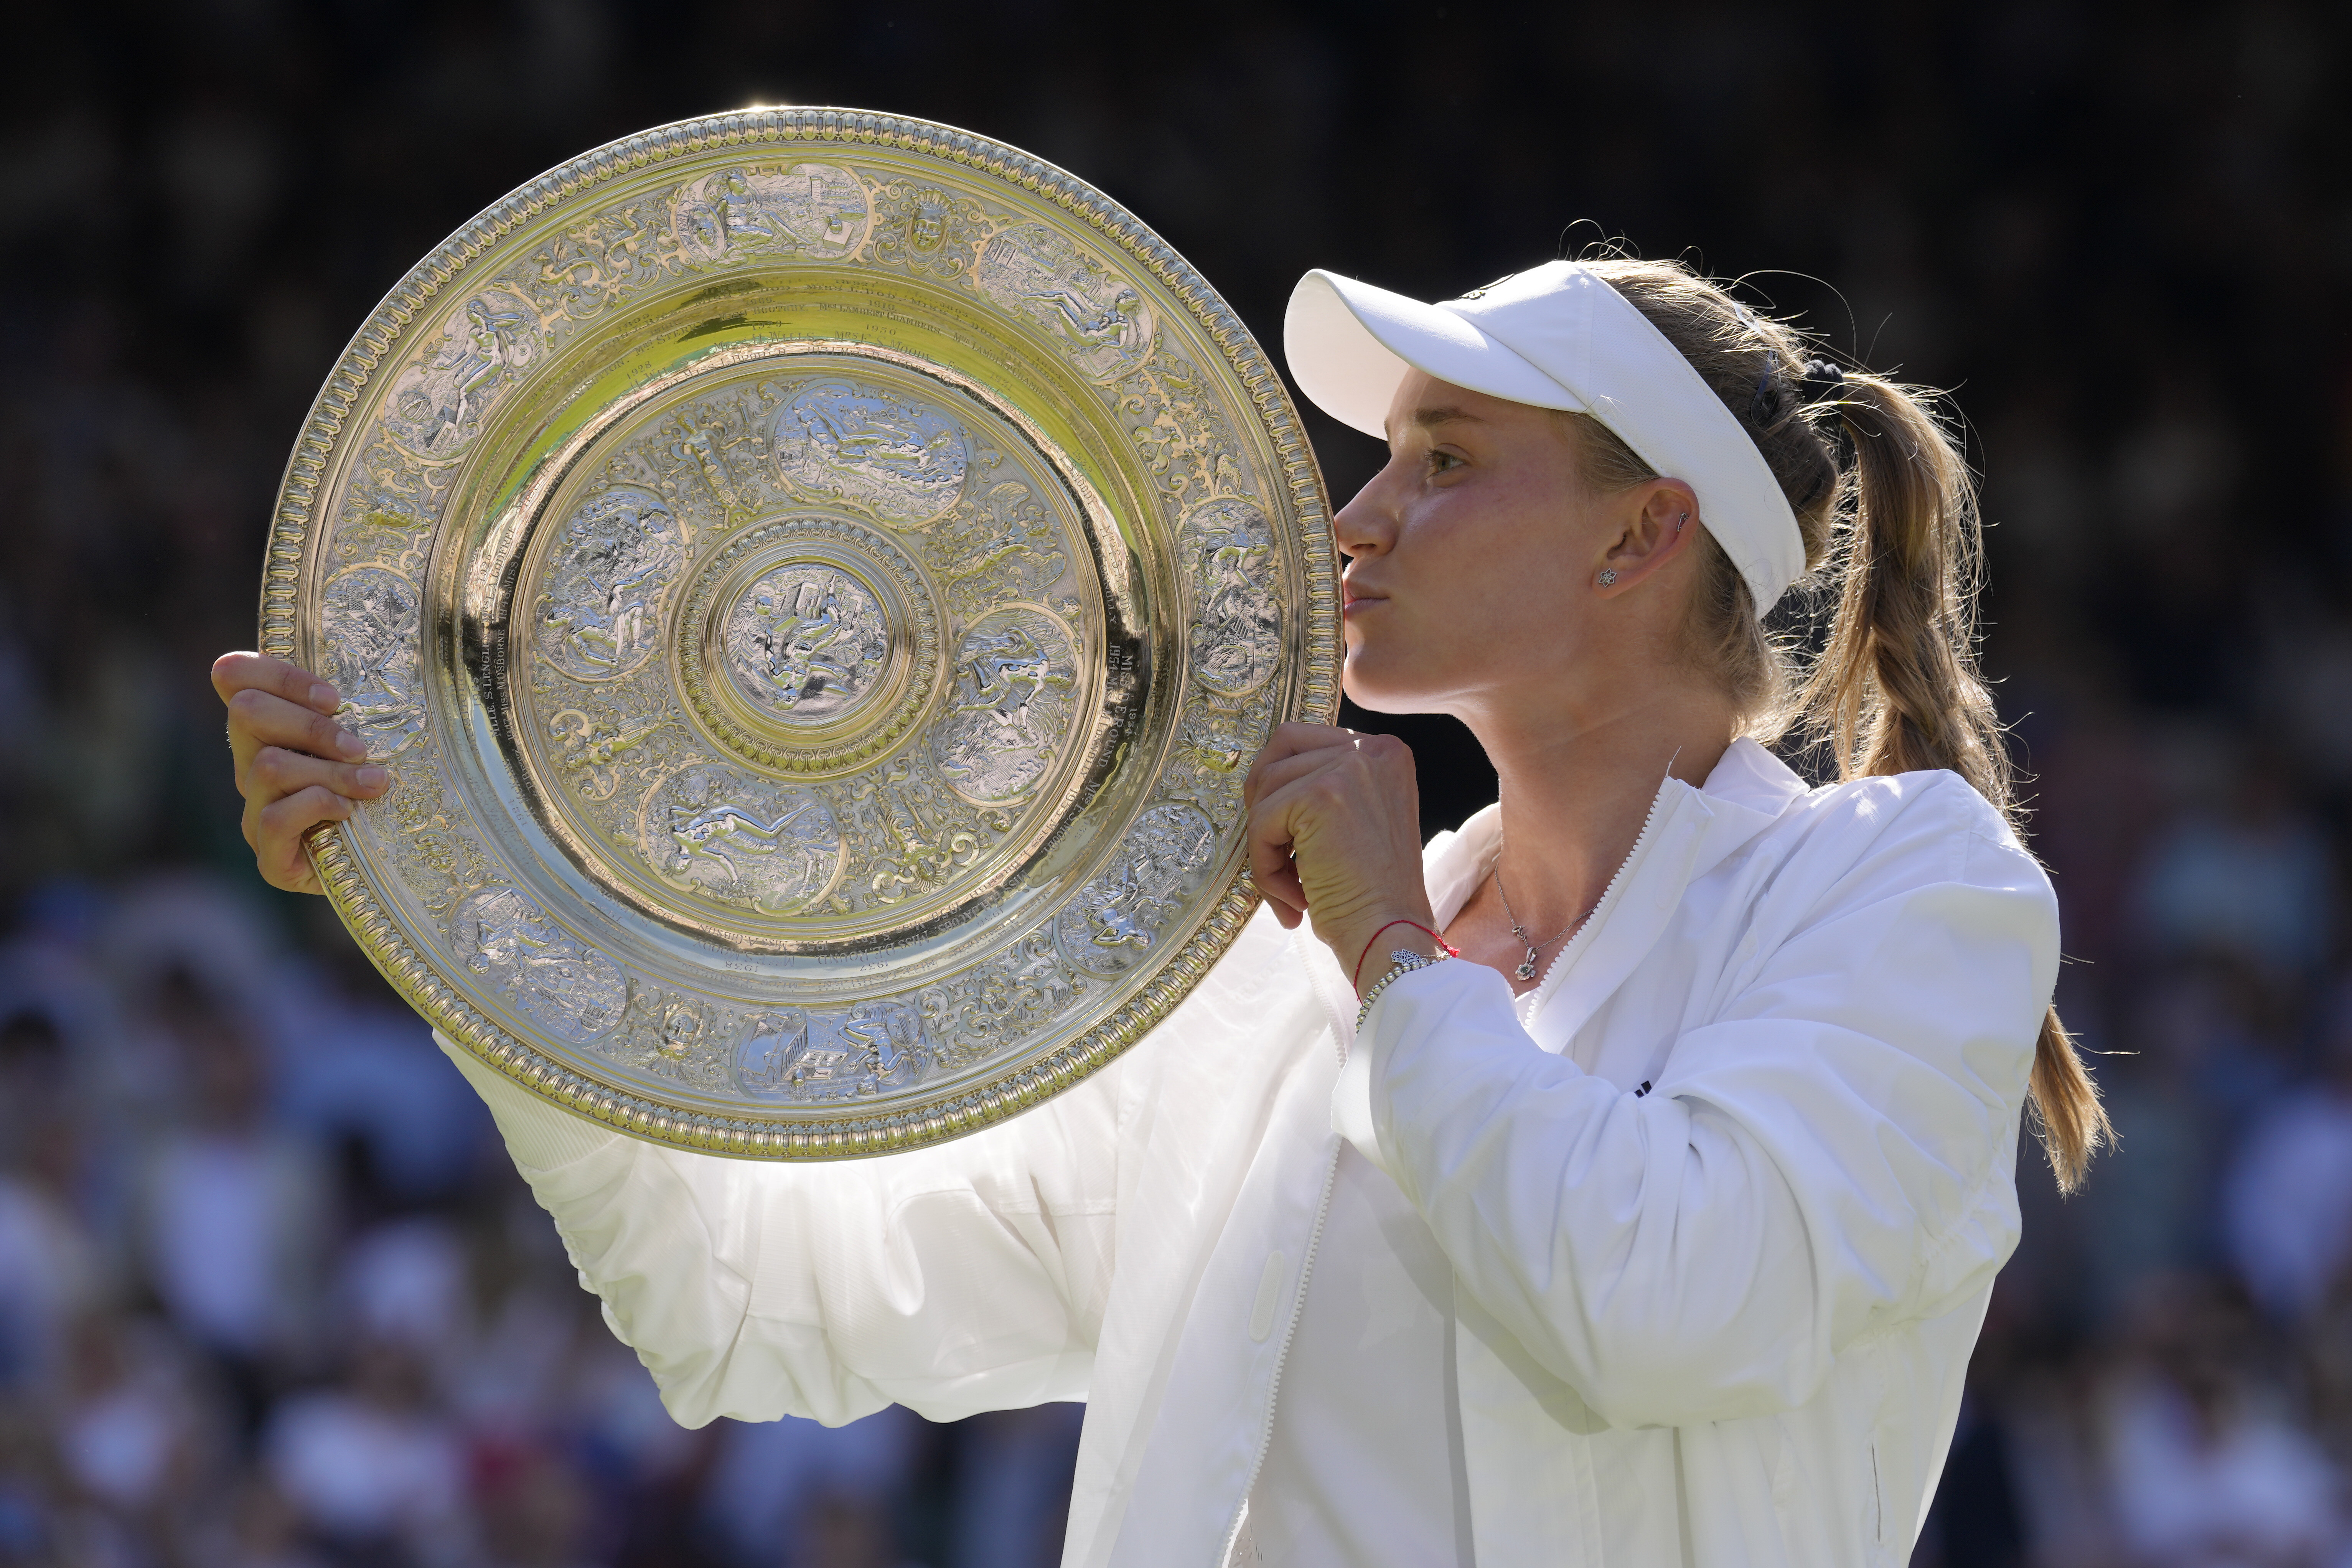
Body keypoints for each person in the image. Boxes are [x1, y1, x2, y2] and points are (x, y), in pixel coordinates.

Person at [213, 255, 2107, 1568]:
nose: (1358, 516)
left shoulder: (1899, 890)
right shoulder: (1268, 987)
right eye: (1386, 460)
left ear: (1642, 533)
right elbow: (756, 1312)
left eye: (1446, 462)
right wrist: (455, 895)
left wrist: (1387, 952)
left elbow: (1659, 1303)